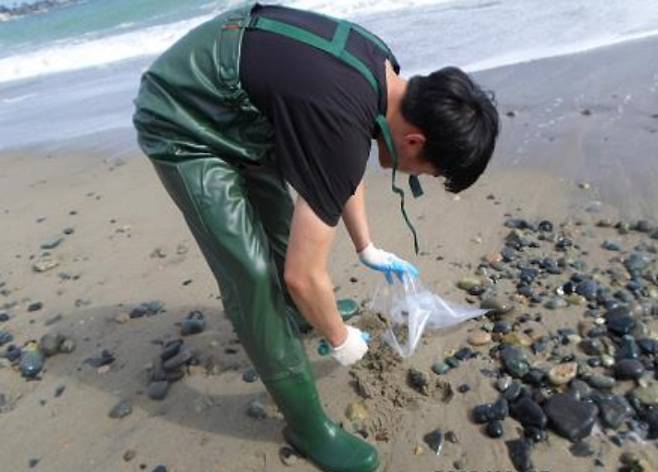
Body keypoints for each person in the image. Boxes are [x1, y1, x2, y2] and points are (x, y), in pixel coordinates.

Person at [132, 3, 499, 471]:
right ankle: (306, 428)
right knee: (254, 277)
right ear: (415, 142)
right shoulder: (342, 119)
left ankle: (298, 319)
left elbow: (337, 165)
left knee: (283, 227)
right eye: (425, 173)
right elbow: (304, 275)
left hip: (241, 108)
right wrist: (342, 339)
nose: (416, 177)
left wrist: (365, 247)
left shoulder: (384, 72)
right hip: (182, 115)